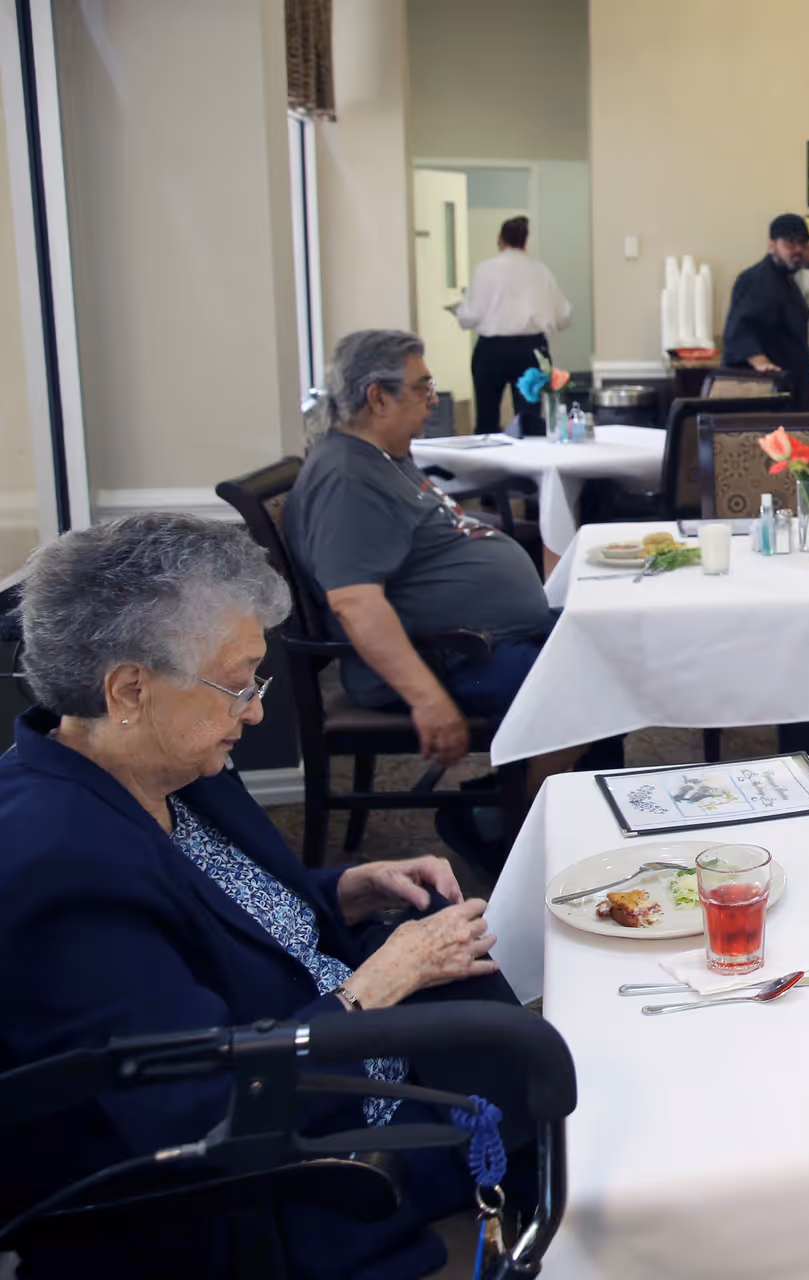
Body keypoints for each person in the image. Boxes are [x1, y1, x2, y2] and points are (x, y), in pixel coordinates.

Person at [0, 513, 513, 1279]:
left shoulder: (161, 763)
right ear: (130, 689)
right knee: (582, 1112)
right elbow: (197, 1114)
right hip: (292, 1180)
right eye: (238, 685)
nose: (257, 710)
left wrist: (347, 888)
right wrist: (383, 980)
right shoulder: (57, 864)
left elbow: (211, 915)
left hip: (339, 1064)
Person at [283, 331, 617, 846]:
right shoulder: (347, 478)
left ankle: (556, 816)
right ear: (377, 397)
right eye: (422, 388)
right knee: (594, 679)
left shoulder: (384, 457)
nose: (432, 400)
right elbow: (354, 602)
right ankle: (504, 821)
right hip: (447, 656)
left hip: (476, 640)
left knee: (609, 646)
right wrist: (428, 699)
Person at [454, 215, 572, 435]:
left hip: (491, 350)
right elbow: (564, 315)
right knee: (530, 421)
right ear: (525, 242)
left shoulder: (485, 270)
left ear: (499, 239)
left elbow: (470, 316)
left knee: (487, 419)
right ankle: (528, 467)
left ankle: (488, 466)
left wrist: (459, 311)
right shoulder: (540, 272)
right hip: (532, 350)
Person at [721, 212, 809, 410]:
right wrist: (761, 363)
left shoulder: (789, 283)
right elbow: (740, 329)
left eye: (804, 243)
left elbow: (793, 338)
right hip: (763, 392)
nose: (798, 249)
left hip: (790, 388)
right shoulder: (754, 279)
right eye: (790, 243)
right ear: (772, 245)